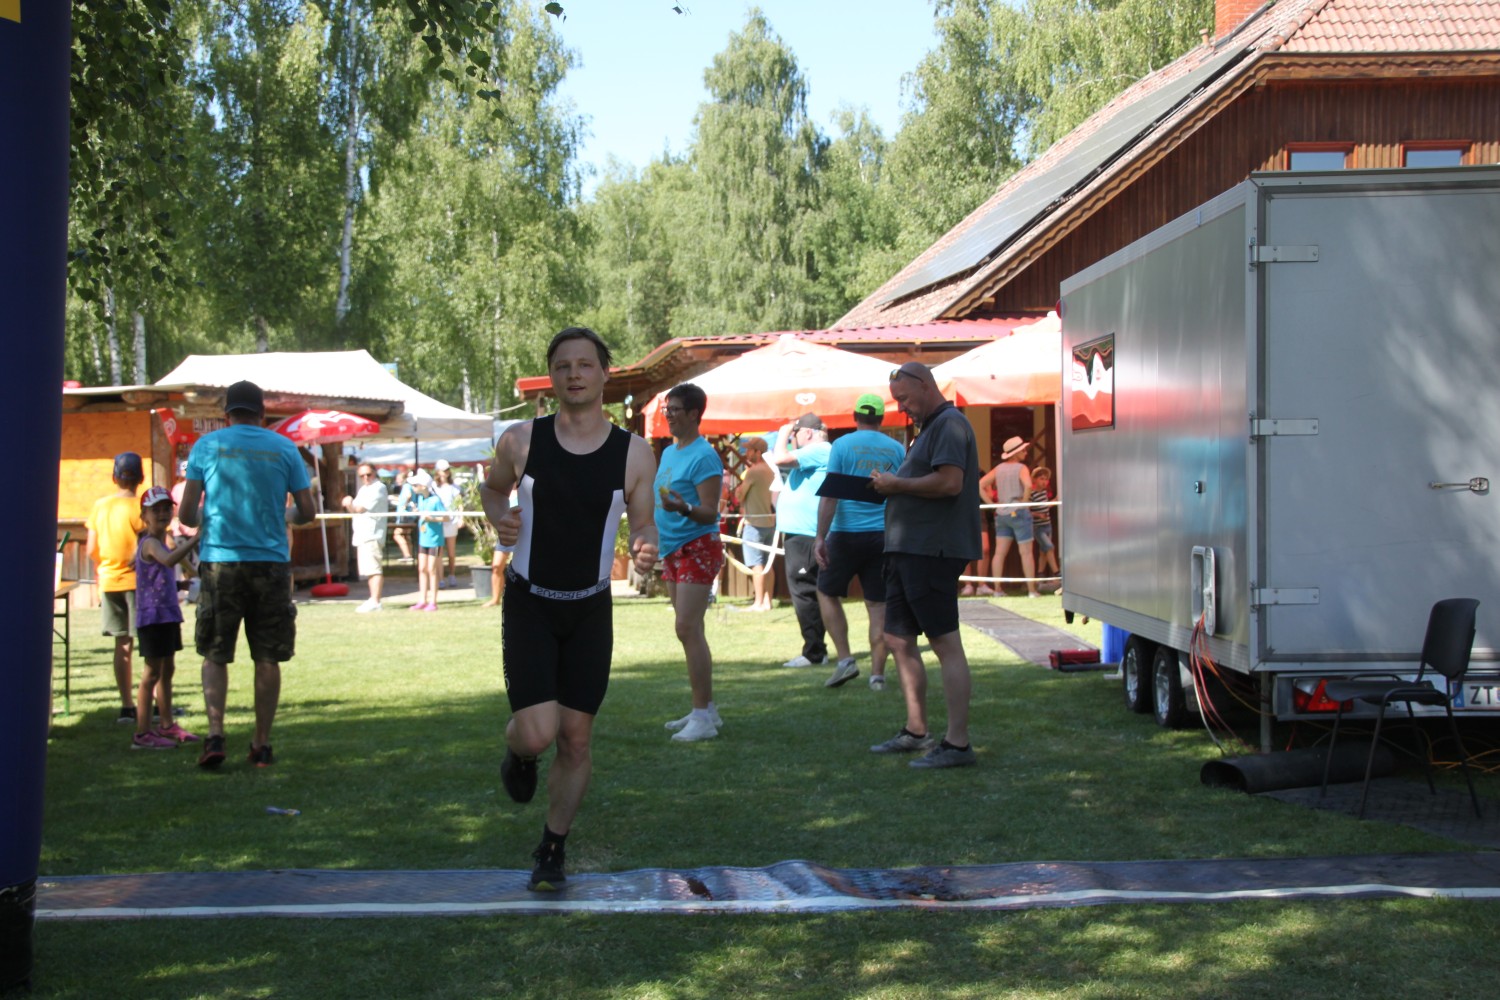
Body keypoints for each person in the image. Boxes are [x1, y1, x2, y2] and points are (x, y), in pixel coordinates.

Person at [482, 326, 658, 892]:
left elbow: (644, 522)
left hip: (589, 610)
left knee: (576, 739)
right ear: (551, 378)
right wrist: (500, 518)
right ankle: (520, 755)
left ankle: (552, 848)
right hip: (530, 604)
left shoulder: (634, 452)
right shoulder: (520, 440)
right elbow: (492, 490)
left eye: (585, 364)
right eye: (563, 366)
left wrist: (645, 546)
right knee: (537, 733)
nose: (574, 374)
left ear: (605, 374)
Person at [178, 380, 316, 770]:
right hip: (270, 563)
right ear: (263, 413)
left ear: (226, 414)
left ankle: (215, 735)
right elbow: (307, 512)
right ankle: (261, 744)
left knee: (215, 654)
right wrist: (283, 515)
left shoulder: (207, 446)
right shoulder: (285, 448)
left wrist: (210, 517)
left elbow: (186, 515)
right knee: (267, 657)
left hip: (221, 562)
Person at [870, 362, 983, 769]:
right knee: (898, 639)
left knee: (944, 643)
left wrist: (896, 484)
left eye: (904, 398)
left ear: (924, 384)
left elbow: (950, 482)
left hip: (932, 550)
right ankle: (916, 731)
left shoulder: (950, 424)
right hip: (908, 550)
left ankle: (957, 745)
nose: (901, 407)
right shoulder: (929, 428)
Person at [813, 393, 905, 691]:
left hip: (845, 533)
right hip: (884, 535)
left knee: (826, 592)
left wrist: (820, 536)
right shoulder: (896, 448)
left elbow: (831, 494)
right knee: (878, 605)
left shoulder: (841, 445)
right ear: (881, 418)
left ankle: (845, 660)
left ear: (855, 416)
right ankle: (877, 676)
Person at [654, 382, 726, 743]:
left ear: (694, 413)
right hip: (672, 548)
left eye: (675, 410)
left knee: (686, 627)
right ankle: (706, 710)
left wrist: (683, 507)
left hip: (697, 546)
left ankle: (702, 716)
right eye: (666, 409)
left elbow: (710, 511)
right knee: (691, 629)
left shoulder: (704, 456)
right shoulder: (669, 452)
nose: (668, 415)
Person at [129, 487, 202, 750]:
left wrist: (182, 585)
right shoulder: (150, 543)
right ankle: (142, 733)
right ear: (144, 516)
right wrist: (197, 538)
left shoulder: (162, 542)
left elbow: (160, 575)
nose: (162, 514)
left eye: (166, 508)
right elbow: (169, 561)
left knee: (167, 670)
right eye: (155, 510)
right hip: (153, 617)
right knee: (151, 674)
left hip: (168, 614)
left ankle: (167, 724)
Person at [86, 451, 146, 723]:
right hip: (137, 582)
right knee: (149, 644)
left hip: (109, 581)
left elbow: (91, 549)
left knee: (122, 644)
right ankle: (154, 702)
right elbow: (150, 543)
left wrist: (106, 566)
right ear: (141, 478)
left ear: (114, 477)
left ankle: (127, 705)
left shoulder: (100, 506)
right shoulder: (141, 508)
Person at [770, 413, 831, 668]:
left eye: (795, 434)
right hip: (802, 533)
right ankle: (816, 649)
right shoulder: (814, 453)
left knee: (805, 591)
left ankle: (814, 652)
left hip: (806, 533)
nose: (792, 439)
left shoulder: (819, 449)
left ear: (807, 433)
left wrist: (783, 432)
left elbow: (780, 458)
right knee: (806, 591)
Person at [980, 436, 1040, 598]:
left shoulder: (998, 469)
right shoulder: (1021, 468)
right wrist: (1025, 503)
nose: (1026, 452)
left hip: (1002, 513)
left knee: (999, 553)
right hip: (1019, 512)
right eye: (1023, 450)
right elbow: (1028, 485)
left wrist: (993, 505)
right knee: (1026, 553)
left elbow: (980, 484)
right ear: (1016, 453)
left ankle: (997, 590)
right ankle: (1032, 590)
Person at [733, 436, 777, 612]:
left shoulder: (753, 471)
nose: (746, 453)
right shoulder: (771, 470)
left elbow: (740, 496)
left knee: (756, 564)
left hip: (754, 523)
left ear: (758, 452)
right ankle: (767, 601)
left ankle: (758, 603)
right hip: (770, 522)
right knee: (768, 564)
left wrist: (738, 491)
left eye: (749, 449)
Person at [341, 463, 389, 613]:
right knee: (369, 570)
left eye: (369, 474)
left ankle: (376, 600)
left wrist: (349, 502)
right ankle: (373, 599)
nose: (366, 478)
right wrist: (349, 504)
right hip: (362, 534)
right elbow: (355, 510)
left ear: (375, 473)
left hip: (372, 534)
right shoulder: (364, 489)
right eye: (362, 476)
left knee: (374, 568)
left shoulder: (379, 487)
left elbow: (358, 509)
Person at [410, 469, 446, 611]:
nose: (413, 488)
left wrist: (432, 518)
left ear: (423, 486)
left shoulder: (435, 500)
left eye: (415, 485)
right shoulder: (421, 499)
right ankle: (422, 600)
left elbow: (447, 517)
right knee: (422, 569)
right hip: (423, 539)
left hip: (435, 540)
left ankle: (433, 601)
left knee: (432, 569)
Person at [1030, 466, 1061, 591]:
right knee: (1049, 547)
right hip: (1038, 526)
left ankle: (1040, 575)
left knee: (1043, 551)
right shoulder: (1031, 494)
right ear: (1035, 479)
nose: (1044, 482)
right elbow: (1027, 511)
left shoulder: (1044, 493)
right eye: (1041, 479)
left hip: (1048, 525)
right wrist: (1038, 515)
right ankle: (1057, 573)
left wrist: (1055, 500)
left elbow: (1045, 506)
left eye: (1046, 479)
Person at [433, 460, 462, 588]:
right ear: (438, 471)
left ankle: (452, 575)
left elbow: (459, 503)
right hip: (438, 522)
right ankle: (440, 578)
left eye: (447, 470)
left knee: (451, 552)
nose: (446, 472)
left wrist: (461, 518)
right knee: (438, 552)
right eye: (443, 470)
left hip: (451, 521)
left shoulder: (454, 487)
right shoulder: (433, 486)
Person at [390, 463, 417, 562]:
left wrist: (404, 505)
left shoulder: (406, 486)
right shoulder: (410, 486)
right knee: (406, 535)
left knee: (397, 534)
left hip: (404, 515)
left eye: (398, 478)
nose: (397, 480)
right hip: (408, 515)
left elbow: (408, 496)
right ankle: (409, 555)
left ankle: (407, 555)